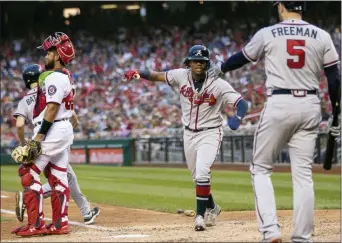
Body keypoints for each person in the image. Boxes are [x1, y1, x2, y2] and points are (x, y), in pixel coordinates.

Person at [208, 1, 340, 242]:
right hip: (310, 104)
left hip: (280, 102)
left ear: (281, 7)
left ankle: (270, 231)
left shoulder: (268, 33)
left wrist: (221, 67)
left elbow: (242, 58)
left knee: (260, 168)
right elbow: (333, 77)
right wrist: (337, 111)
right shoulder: (322, 35)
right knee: (303, 176)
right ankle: (302, 237)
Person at [124, 45, 248, 231]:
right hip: (188, 133)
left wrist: (237, 118)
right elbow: (158, 75)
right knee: (196, 177)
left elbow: (242, 103)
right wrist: (138, 73)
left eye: (202, 61)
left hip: (211, 132)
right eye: (195, 60)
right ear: (188, 62)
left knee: (202, 172)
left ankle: (200, 217)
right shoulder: (181, 75)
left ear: (207, 64)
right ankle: (213, 208)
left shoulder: (219, 84)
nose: (198, 63)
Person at [13, 64, 100, 227]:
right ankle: (30, 202)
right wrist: (64, 134)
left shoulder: (25, 100)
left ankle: (86, 212)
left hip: (37, 138)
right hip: (55, 136)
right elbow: (74, 118)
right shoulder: (47, 92)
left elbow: (19, 125)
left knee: (64, 177)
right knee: (61, 178)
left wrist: (23, 143)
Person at [11, 32, 77, 237]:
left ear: (57, 55)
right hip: (61, 129)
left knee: (28, 172)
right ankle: (60, 224)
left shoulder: (55, 77)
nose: (46, 55)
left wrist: (38, 138)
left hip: (53, 129)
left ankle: (36, 223)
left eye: (49, 52)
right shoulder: (63, 76)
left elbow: (51, 109)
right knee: (58, 176)